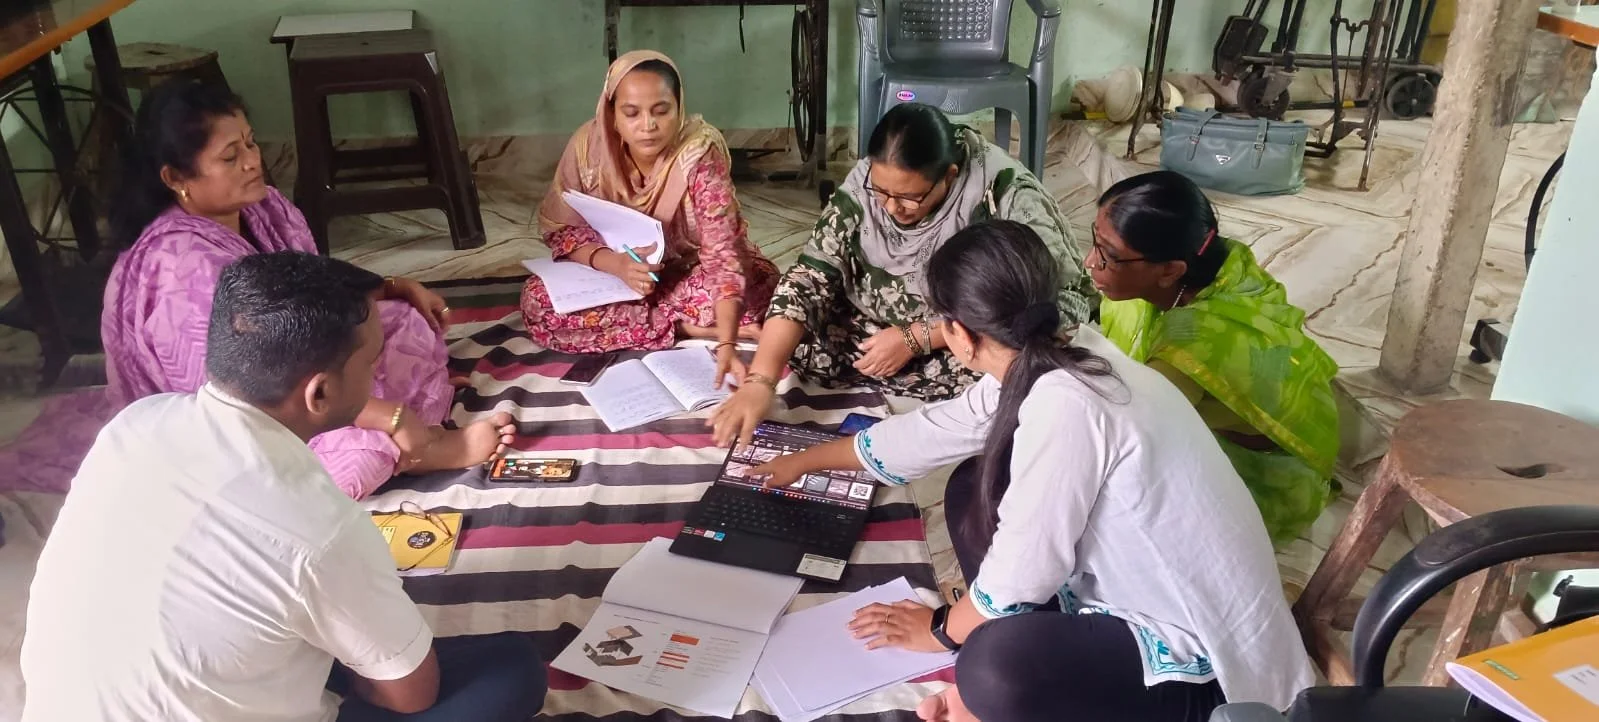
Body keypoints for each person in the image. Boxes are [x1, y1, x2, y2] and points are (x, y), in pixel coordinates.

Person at [747, 221, 1313, 722]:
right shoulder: (1065, 353)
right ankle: (1021, 649)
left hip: (1208, 667)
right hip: (1140, 593)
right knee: (973, 483)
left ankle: (1004, 673)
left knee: (992, 671)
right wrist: (804, 460)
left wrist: (942, 629)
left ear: (961, 335)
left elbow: (1022, 570)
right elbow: (933, 430)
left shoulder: (1067, 404)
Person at [21, 252, 546, 722]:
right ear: (320, 392)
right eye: (371, 363)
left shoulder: (137, 424)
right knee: (513, 670)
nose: (380, 376)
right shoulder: (322, 526)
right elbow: (411, 697)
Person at [0, 79, 514, 499]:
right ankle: (422, 448)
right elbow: (243, 394)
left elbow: (309, 292)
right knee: (350, 457)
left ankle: (403, 419)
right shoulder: (183, 269)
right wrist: (393, 414)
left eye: (249, 142)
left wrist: (396, 287)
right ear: (177, 177)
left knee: (402, 322)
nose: (252, 161)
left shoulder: (259, 206)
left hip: (300, 366)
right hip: (245, 411)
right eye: (230, 155)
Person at [709, 103, 1095, 448]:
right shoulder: (870, 180)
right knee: (795, 332)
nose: (892, 209)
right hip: (870, 328)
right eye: (881, 192)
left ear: (949, 175)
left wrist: (919, 337)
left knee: (1018, 364)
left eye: (911, 198)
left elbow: (1056, 305)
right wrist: (761, 380)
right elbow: (810, 278)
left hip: (959, 334)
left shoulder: (1003, 194)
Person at [1091, 171, 1338, 545]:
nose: (1089, 262)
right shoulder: (1222, 265)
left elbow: (1125, 435)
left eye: (1109, 256)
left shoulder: (1190, 346)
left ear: (1171, 271)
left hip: (1264, 484)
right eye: (1095, 242)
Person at [521, 50, 779, 381]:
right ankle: (688, 328)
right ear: (611, 114)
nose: (648, 126)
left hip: (685, 271)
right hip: (611, 273)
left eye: (662, 111)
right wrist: (618, 266)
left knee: (760, 288)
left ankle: (677, 324)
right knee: (538, 302)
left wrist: (727, 342)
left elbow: (722, 250)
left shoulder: (697, 153)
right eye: (631, 113)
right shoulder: (588, 148)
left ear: (679, 107)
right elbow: (564, 230)